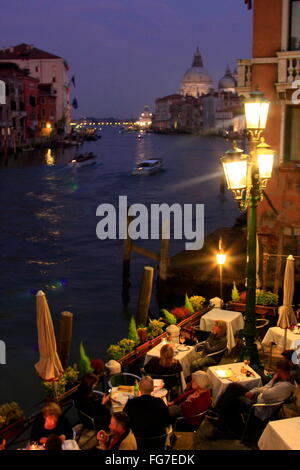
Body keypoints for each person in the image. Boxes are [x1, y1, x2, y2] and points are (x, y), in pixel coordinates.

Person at [210, 359, 294, 434]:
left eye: (278, 371)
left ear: (282, 371)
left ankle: (223, 425)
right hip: (258, 398)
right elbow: (265, 387)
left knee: (233, 398)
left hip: (259, 407)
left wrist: (272, 381)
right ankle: (218, 412)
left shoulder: (285, 386)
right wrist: (252, 392)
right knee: (233, 386)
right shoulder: (281, 379)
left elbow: (265, 394)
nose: (276, 373)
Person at [123, 376, 171, 450]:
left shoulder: (131, 403)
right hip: (158, 441)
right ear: (152, 389)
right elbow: (167, 422)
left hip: (136, 441)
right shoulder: (160, 402)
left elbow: (124, 422)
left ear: (139, 388)